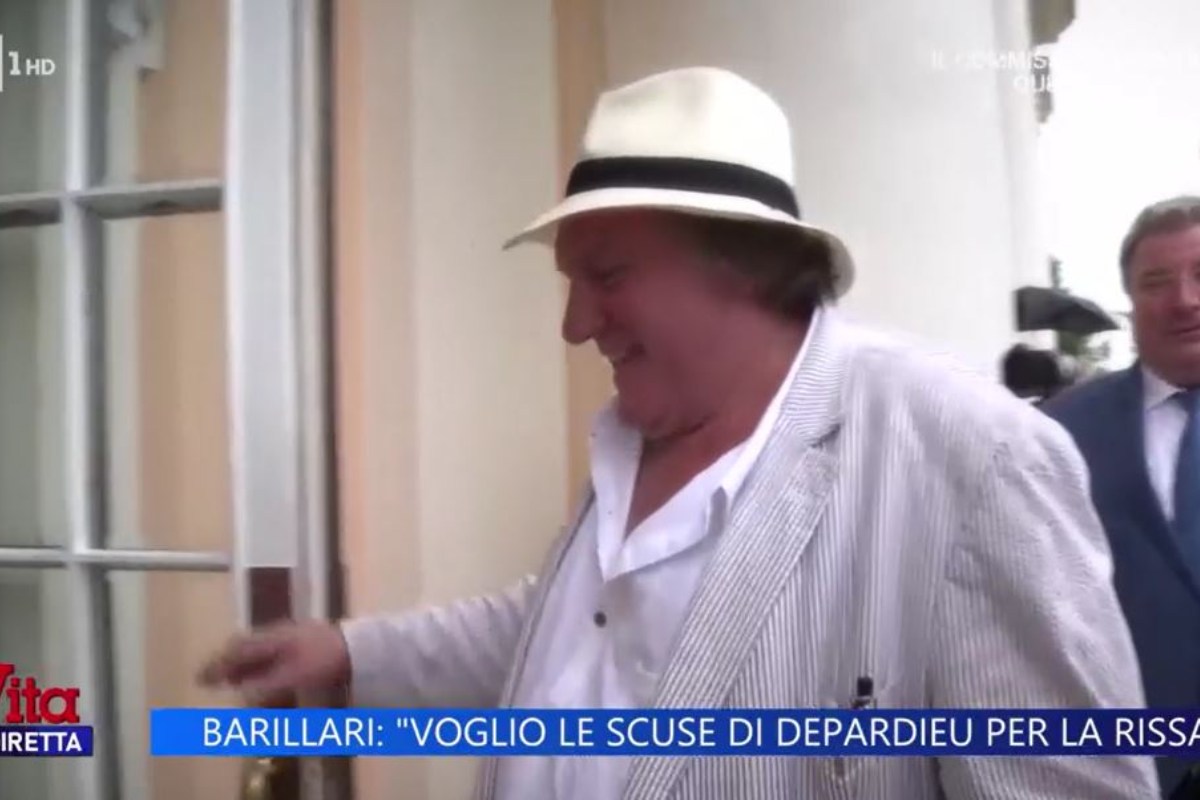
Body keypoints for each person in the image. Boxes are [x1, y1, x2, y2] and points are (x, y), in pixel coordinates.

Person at [200, 67, 1157, 798]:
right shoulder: (635, 438)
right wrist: (349, 652)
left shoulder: (972, 459)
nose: (576, 325)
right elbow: (574, 634)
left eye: (608, 276)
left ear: (745, 265)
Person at [1044, 195, 1200, 798]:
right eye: (1156, 282)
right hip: (1126, 767)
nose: (1184, 300)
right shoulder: (1056, 433)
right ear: (1130, 300)